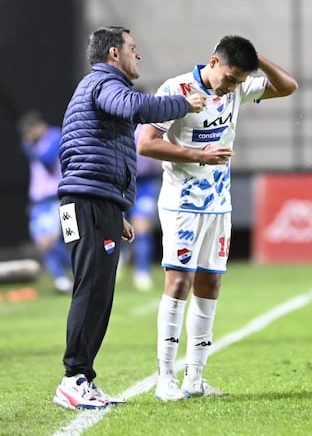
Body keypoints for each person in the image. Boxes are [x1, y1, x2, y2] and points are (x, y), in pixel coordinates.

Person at [52, 26, 207, 411]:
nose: (138, 55)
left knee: (95, 289)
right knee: (92, 290)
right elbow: (137, 109)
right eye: (132, 49)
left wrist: (116, 208)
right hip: (87, 203)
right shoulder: (104, 84)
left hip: (88, 201)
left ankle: (81, 378)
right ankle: (73, 379)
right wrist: (183, 103)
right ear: (112, 54)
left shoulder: (95, 89)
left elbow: (84, 151)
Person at [138, 35, 298, 401]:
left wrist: (258, 60)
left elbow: (288, 87)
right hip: (182, 202)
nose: (233, 86)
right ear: (213, 62)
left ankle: (195, 378)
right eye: (229, 77)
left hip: (218, 204)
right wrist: (198, 155)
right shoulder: (175, 89)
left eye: (240, 80)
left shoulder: (237, 89)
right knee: (179, 283)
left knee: (210, 286)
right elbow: (145, 143)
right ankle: (165, 377)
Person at [17, 110, 73, 294]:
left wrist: (30, 149)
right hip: (39, 201)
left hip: (56, 198)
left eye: (29, 133)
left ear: (37, 127)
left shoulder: (54, 136)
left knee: (52, 241)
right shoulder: (35, 144)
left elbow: (48, 160)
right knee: (43, 243)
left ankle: (68, 277)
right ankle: (64, 278)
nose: (27, 138)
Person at [120, 124, 164, 291]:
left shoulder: (149, 127)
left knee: (142, 227)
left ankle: (142, 272)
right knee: (118, 226)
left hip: (146, 183)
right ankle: (119, 260)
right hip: (124, 183)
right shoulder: (116, 128)